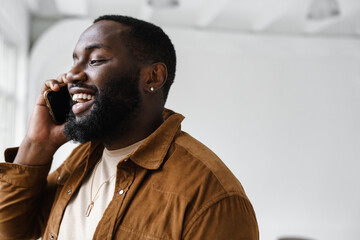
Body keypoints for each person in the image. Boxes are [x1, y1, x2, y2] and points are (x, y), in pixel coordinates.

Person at [0, 15, 258, 240]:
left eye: (96, 60)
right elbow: (9, 230)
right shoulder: (84, 158)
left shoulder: (213, 198)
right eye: (75, 61)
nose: (71, 75)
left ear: (152, 77)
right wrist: (37, 144)